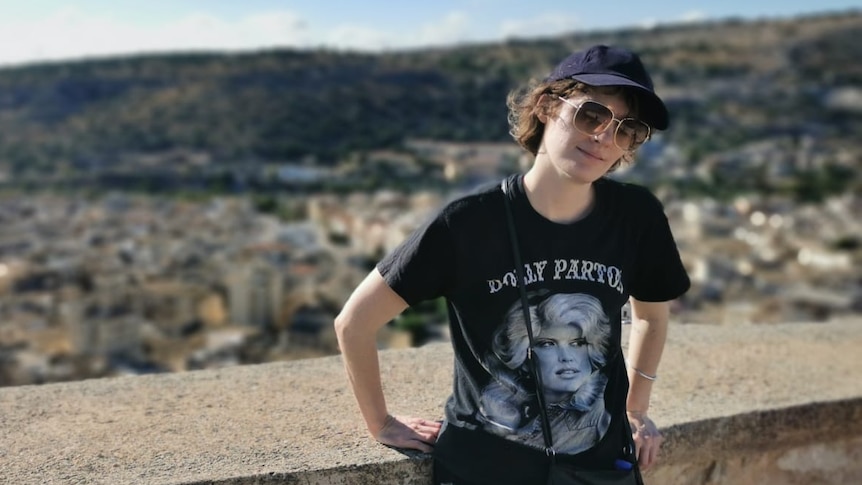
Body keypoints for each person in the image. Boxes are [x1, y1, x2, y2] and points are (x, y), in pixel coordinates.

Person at [335, 44, 691, 485]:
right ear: (546, 107)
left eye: (627, 130)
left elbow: (652, 318)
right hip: (483, 470)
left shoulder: (637, 217)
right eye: (591, 114)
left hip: (597, 468)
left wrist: (635, 411)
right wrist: (380, 423)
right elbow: (354, 322)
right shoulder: (467, 222)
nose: (604, 137)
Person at [478, 292, 612, 456]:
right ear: (523, 356)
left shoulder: (595, 413)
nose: (566, 357)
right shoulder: (498, 405)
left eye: (577, 343)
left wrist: (637, 412)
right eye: (548, 344)